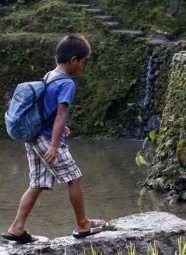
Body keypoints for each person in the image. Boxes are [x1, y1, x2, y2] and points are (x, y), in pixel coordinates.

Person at [1, 35, 107, 244]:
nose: (82, 67)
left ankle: (17, 228)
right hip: (47, 139)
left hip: (33, 136)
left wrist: (58, 128)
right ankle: (83, 224)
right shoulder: (67, 83)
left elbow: (46, 109)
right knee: (73, 177)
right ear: (74, 60)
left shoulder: (50, 75)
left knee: (38, 183)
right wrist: (54, 145)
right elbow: (60, 114)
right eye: (82, 62)